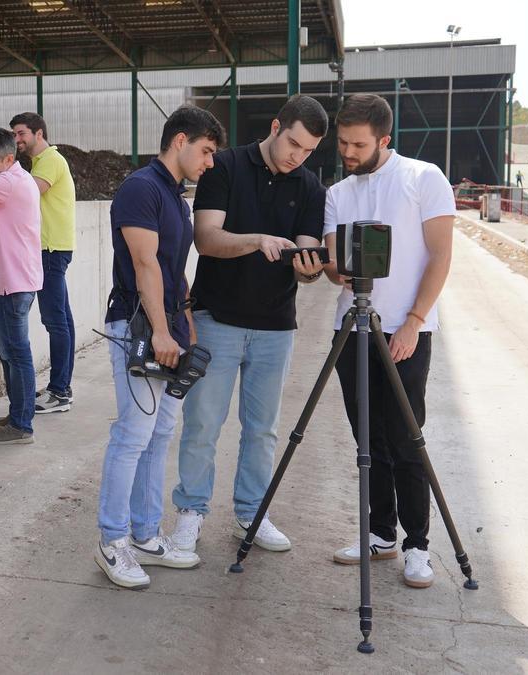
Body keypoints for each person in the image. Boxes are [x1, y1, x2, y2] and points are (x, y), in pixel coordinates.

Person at [168, 95, 329, 558]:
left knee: (262, 429)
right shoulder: (224, 166)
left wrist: (310, 267)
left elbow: (304, 259)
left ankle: (252, 514)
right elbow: (207, 239)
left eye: (308, 150)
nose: (297, 156)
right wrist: (257, 241)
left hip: (276, 326)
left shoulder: (310, 187)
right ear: (276, 127)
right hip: (217, 318)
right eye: (293, 143)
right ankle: (191, 513)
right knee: (203, 423)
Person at [321, 94, 456, 589]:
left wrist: (415, 320)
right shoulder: (338, 192)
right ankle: (380, 534)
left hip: (405, 330)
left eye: (358, 144)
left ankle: (418, 544)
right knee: (367, 440)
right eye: (342, 142)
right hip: (351, 330)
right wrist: (323, 267)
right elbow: (338, 264)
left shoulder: (423, 178)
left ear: (384, 139)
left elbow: (441, 255)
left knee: (406, 438)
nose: (348, 151)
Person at [94, 105, 224, 590]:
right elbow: (145, 265)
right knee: (133, 433)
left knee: (160, 432)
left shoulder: (175, 197)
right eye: (206, 152)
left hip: (168, 328)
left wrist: (185, 322)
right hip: (138, 326)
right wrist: (163, 331)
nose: (209, 163)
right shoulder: (141, 188)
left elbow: (173, 269)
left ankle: (147, 534)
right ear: (180, 140)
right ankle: (113, 540)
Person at [0, 128, 44, 445]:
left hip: (14, 283)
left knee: (17, 354)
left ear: (9, 159)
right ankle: (18, 412)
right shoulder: (10, 181)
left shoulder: (10, 181)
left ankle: (22, 424)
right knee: (9, 353)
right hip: (6, 281)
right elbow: (5, 230)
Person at [10, 112, 77, 414]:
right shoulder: (41, 162)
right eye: (14, 134)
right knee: (63, 320)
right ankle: (62, 387)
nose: (17, 139)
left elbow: (26, 194)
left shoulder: (49, 159)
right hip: (53, 249)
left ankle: (59, 391)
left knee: (55, 322)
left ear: (39, 133)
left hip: (49, 251)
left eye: (21, 133)